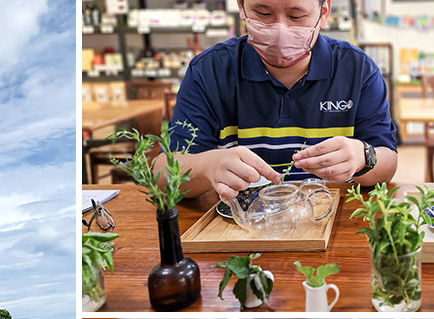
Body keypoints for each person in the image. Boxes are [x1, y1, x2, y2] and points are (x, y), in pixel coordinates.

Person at [164, 0, 398, 199]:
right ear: (241, 8)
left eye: (296, 16)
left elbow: (387, 163)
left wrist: (363, 157)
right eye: (263, 14)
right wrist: (208, 167)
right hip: (240, 225)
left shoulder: (357, 69)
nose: (279, 30)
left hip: (330, 219)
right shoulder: (209, 71)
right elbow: (163, 175)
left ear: (323, 13)